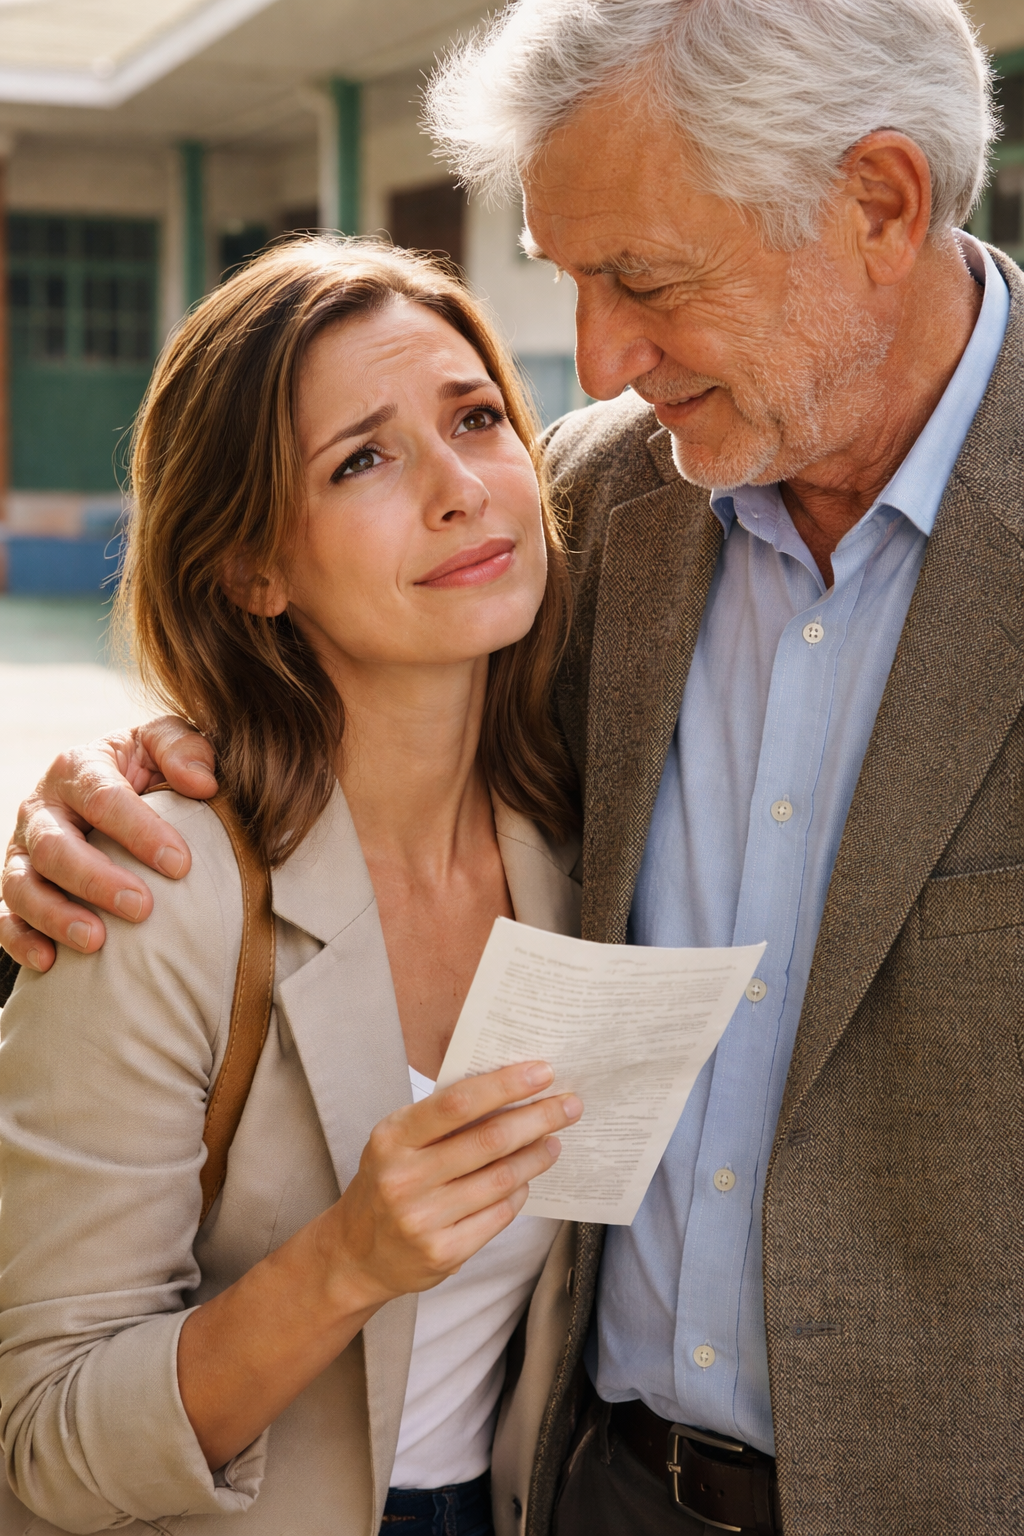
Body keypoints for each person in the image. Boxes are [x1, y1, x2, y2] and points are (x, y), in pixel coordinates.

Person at [2, 0, 1021, 1531]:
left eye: (645, 278)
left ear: (878, 203)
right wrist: (128, 786)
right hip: (585, 1487)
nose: (598, 363)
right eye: (569, 283)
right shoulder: (606, 504)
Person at [0, 239, 589, 1536]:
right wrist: (349, 1261)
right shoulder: (150, 894)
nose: (460, 491)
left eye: (477, 418)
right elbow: (39, 1438)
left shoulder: (579, 840)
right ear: (250, 569)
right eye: (362, 459)